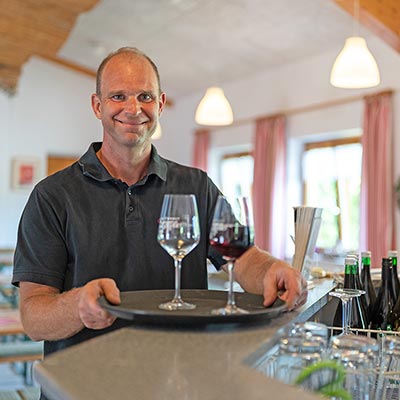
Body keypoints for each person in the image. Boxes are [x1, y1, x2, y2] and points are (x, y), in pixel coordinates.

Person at [12, 47, 307, 358]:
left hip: (180, 373)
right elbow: (33, 318)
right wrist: (77, 306)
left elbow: (243, 258)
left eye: (145, 96)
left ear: (161, 104)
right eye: (118, 96)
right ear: (97, 106)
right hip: (83, 382)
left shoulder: (197, 186)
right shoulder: (52, 195)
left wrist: (273, 269)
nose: (133, 108)